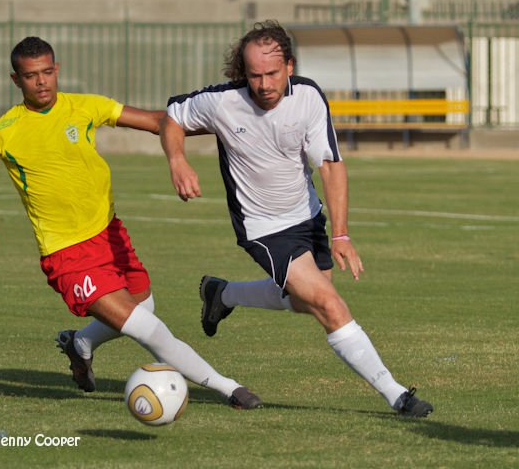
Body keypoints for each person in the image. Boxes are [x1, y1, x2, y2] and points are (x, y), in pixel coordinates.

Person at [0, 36, 261, 409]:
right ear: (16, 80)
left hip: (110, 235)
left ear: (57, 69)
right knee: (149, 330)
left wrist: (226, 122)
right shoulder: (1, 131)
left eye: (48, 72)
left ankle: (80, 344)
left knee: (144, 308)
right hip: (67, 254)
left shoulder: (85, 107)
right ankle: (231, 389)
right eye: (31, 76)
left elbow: (154, 121)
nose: (42, 82)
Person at [159, 21, 433, 417]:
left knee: (307, 303)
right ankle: (397, 395)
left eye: (272, 73)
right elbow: (172, 118)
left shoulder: (307, 96)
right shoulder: (222, 101)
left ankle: (224, 294)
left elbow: (330, 165)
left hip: (307, 216)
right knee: (329, 304)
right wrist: (177, 159)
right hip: (263, 227)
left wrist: (340, 235)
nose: (264, 83)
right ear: (243, 72)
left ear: (289, 65)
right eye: (254, 75)